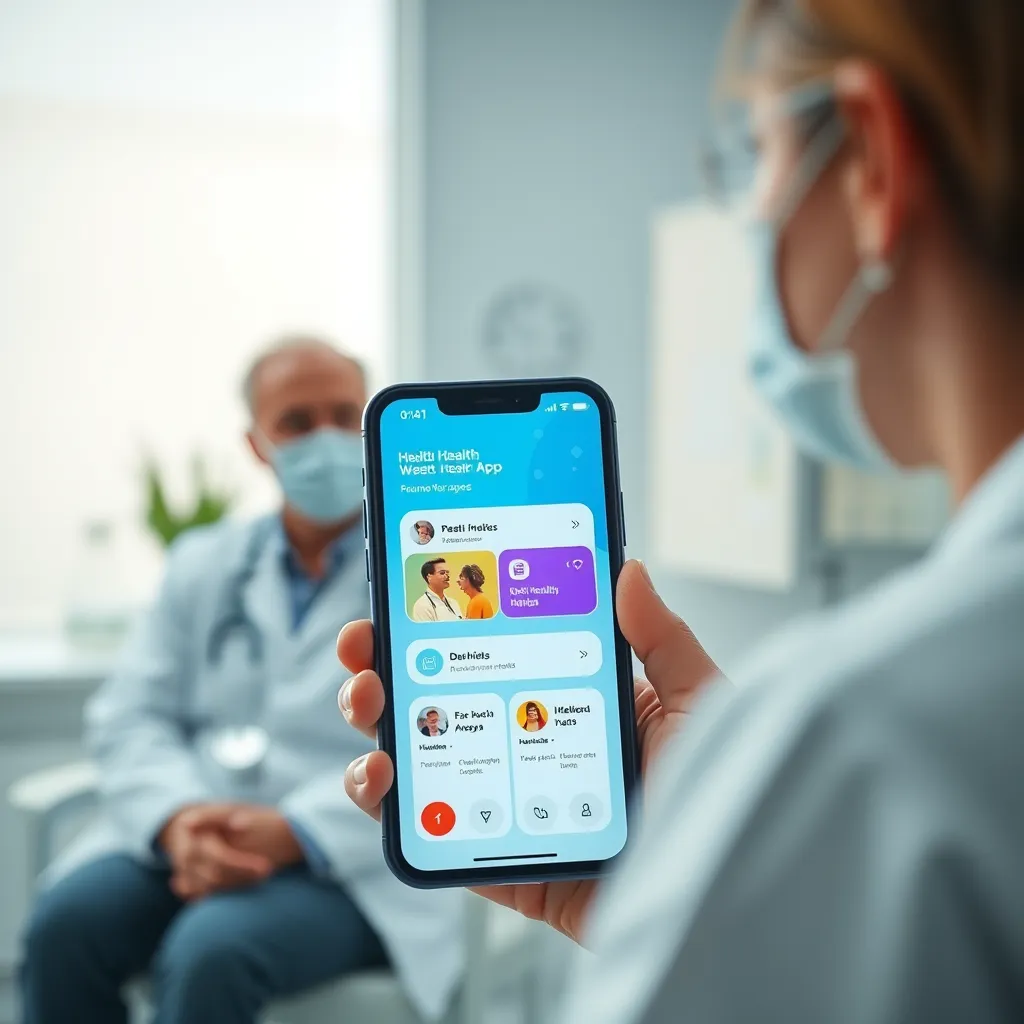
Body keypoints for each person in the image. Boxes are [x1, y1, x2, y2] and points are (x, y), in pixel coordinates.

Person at [337, 1, 1024, 1020]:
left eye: (755, 156)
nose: (747, 217)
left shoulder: (857, 742)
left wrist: (731, 862)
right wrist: (685, 883)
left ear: (871, 157)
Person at [20, 337, 463, 1024]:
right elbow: (131, 715)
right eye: (296, 422)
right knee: (63, 928)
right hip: (196, 828)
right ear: (257, 443)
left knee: (212, 953)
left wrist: (295, 829)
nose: (328, 438)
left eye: (347, 415)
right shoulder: (204, 563)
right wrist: (179, 820)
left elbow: (450, 734)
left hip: (356, 855)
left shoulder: (433, 569)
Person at [410, 558, 463, 622]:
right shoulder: (422, 605)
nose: (447, 576)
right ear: (429, 577)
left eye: (447, 572)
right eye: (442, 573)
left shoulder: (454, 603)